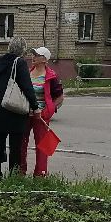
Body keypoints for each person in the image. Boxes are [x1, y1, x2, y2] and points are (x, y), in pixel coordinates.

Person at [0, 36, 40, 179]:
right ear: (23, 50)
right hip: (13, 109)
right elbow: (27, 86)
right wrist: (35, 106)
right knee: (15, 145)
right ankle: (13, 175)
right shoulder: (19, 63)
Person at [28, 47, 65, 177]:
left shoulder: (51, 76)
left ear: (44, 59)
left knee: (42, 146)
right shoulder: (28, 73)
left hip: (41, 116)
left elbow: (60, 97)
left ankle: (40, 174)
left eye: (36, 55)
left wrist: (49, 110)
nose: (33, 57)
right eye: (33, 54)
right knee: (22, 144)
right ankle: (20, 172)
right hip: (25, 114)